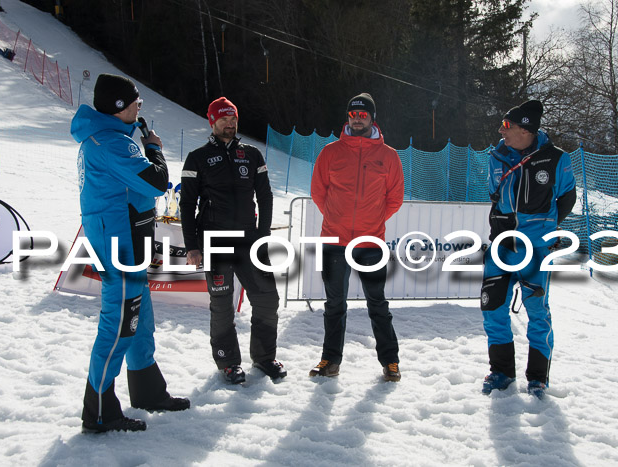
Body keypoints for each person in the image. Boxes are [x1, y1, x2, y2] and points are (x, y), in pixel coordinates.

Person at [71, 73, 190, 434]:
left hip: (128, 243)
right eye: (136, 101)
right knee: (120, 326)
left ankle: (148, 391)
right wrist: (154, 147)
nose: (141, 106)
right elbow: (156, 182)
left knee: (140, 323)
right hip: (119, 248)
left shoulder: (112, 138)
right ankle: (99, 410)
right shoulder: (111, 144)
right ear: (120, 107)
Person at [180, 97, 285, 384]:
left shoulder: (252, 155)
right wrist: (192, 246)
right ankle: (228, 362)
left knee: (267, 298)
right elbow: (187, 204)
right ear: (212, 121)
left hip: (250, 240)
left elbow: (264, 196)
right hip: (216, 240)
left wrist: (263, 235)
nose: (230, 123)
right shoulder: (197, 157)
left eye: (233, 118)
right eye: (224, 118)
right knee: (222, 303)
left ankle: (264, 358)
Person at [480, 99, 576, 399]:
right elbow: (496, 196)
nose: (501, 131)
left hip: (535, 248)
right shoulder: (497, 155)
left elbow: (567, 197)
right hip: (501, 245)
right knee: (492, 305)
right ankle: (501, 372)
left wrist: (548, 229)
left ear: (526, 129)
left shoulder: (556, 159)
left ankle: (537, 378)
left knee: (537, 310)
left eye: (507, 126)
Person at [309, 93, 404, 382]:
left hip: (370, 243)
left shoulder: (389, 156)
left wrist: (371, 221)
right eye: (354, 114)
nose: (358, 119)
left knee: (377, 303)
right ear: (348, 117)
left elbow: (395, 198)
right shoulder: (330, 153)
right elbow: (318, 192)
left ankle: (390, 361)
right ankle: (330, 359)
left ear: (372, 118)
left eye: (363, 115)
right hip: (334, 242)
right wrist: (336, 218)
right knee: (334, 304)